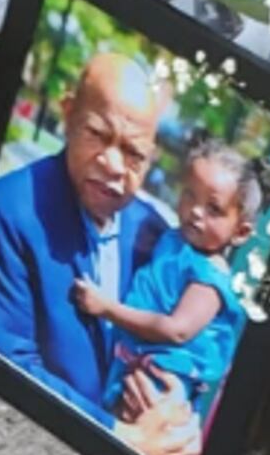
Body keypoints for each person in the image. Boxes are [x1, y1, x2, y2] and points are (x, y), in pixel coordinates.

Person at [0, 49, 173, 422]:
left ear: (150, 158)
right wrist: (116, 435)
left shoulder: (154, 233)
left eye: (133, 153)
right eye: (97, 135)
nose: (113, 165)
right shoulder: (11, 209)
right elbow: (3, 362)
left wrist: (167, 406)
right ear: (68, 114)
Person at [87, 141, 259, 418]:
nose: (195, 211)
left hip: (161, 374)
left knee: (130, 421)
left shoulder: (209, 279)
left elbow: (176, 330)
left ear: (240, 232)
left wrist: (106, 308)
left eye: (213, 208)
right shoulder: (173, 239)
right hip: (135, 355)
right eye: (190, 195)